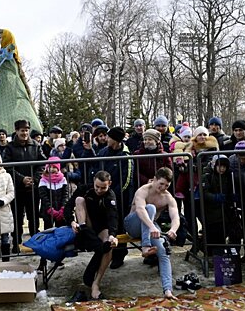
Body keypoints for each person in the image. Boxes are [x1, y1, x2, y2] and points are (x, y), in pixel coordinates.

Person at [123, 168, 179, 299]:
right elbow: (141, 210)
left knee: (163, 250)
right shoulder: (143, 190)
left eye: (166, 185)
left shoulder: (168, 197)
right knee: (150, 208)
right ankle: (145, 247)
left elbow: (175, 216)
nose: (163, 187)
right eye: (161, 184)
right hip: (133, 225)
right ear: (154, 179)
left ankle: (168, 290)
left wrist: (173, 230)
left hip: (150, 228)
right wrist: (152, 227)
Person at [63, 170, 118, 300]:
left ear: (109, 184)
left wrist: (112, 235)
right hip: (86, 225)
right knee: (79, 199)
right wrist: (71, 222)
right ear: (93, 181)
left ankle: (96, 283)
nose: (99, 190)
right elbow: (68, 207)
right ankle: (84, 231)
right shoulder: (85, 189)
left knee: (108, 245)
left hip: (102, 228)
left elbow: (113, 218)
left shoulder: (110, 196)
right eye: (97, 187)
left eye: (103, 188)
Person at [83, 126, 133, 269]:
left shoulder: (126, 155)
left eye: (109, 137)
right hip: (104, 196)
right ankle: (107, 253)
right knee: (108, 225)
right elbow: (95, 166)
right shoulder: (104, 151)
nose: (107, 139)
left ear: (116, 140)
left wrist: (113, 195)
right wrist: (88, 150)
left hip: (120, 198)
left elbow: (127, 180)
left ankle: (119, 255)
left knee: (119, 226)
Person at [3, 119, 46, 252]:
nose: (25, 133)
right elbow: (7, 166)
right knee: (17, 217)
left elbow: (42, 163)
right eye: (22, 130)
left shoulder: (36, 145)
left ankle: (35, 242)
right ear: (16, 131)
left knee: (33, 217)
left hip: (33, 187)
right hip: (17, 188)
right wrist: (21, 179)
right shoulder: (10, 147)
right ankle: (16, 243)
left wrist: (35, 178)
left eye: (27, 130)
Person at [199, 155, 237, 256]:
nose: (222, 169)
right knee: (213, 233)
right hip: (212, 210)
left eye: (224, 167)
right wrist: (215, 197)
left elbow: (230, 191)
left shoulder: (229, 177)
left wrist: (231, 197)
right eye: (220, 166)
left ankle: (220, 253)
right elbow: (204, 193)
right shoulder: (208, 176)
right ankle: (210, 252)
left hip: (225, 210)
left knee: (224, 233)